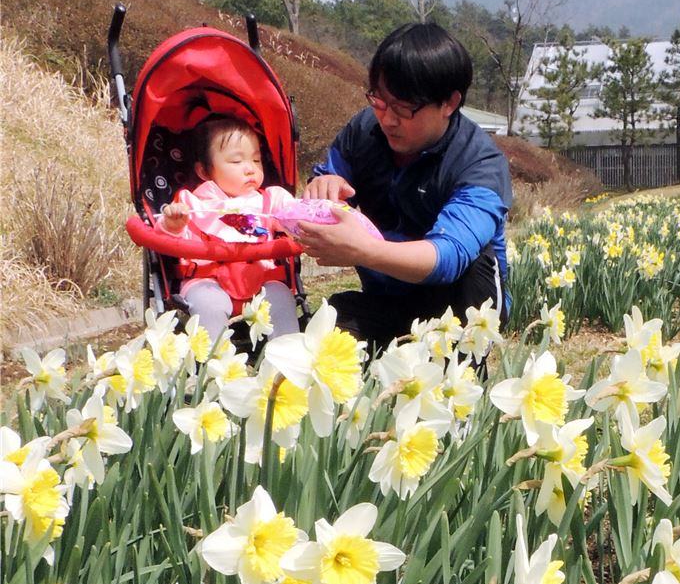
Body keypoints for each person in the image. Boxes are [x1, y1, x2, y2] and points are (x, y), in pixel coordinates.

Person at [297, 22, 513, 353]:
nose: (387, 119)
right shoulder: (363, 131)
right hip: (388, 300)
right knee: (324, 334)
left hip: (457, 308)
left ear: (449, 102)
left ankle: (462, 358)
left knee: (473, 265)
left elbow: (448, 256)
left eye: (403, 108)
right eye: (379, 100)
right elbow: (324, 188)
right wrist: (325, 186)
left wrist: (364, 250)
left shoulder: (480, 164)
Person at [158, 116, 304, 340]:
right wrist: (172, 225)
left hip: (263, 278)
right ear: (205, 171)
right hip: (207, 281)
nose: (250, 169)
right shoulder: (192, 203)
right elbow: (167, 240)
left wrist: (299, 220)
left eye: (256, 160)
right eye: (236, 161)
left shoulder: (271, 200)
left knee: (281, 298)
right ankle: (212, 357)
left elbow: (295, 217)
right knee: (209, 304)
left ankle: (287, 354)